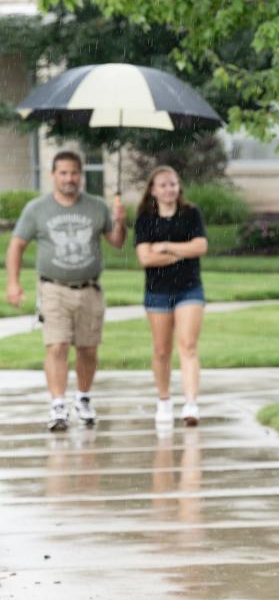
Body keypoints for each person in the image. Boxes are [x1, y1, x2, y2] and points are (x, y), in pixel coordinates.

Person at [5, 150, 126, 431]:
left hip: (90, 290)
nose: (69, 178)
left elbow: (117, 242)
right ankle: (58, 405)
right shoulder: (37, 209)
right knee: (57, 345)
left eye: (74, 173)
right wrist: (13, 283)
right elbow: (16, 246)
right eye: (63, 173)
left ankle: (83, 398)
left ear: (81, 176)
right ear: (53, 175)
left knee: (88, 349)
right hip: (53, 288)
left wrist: (120, 220)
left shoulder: (96, 207)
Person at [134, 166, 208, 427]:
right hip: (158, 292)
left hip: (189, 288)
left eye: (173, 184)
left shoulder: (191, 214)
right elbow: (145, 257)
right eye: (163, 185)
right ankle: (164, 400)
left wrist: (166, 247)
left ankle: (190, 403)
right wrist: (180, 254)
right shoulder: (145, 218)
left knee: (187, 345)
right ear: (153, 190)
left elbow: (200, 246)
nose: (169, 189)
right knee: (161, 349)